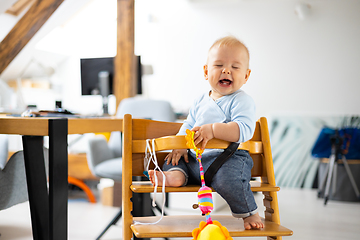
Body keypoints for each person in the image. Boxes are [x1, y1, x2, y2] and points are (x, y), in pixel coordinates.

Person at [148, 36, 264, 230]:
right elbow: (189, 123)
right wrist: (180, 144)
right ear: (206, 71)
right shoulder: (200, 100)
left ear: (246, 76)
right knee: (173, 160)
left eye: (235, 67)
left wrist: (213, 129)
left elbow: (244, 130)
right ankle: (174, 177)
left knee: (229, 180)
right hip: (197, 160)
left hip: (229, 158)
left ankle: (249, 212)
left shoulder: (242, 101)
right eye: (219, 65)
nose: (226, 70)